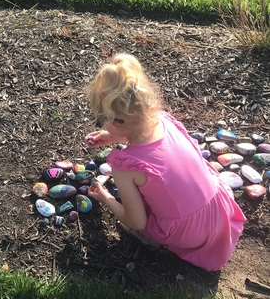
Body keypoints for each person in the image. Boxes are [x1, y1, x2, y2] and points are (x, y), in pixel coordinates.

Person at [83, 53, 246, 272]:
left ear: (115, 121)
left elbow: (136, 221)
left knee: (139, 220)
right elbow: (142, 137)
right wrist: (114, 136)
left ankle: (150, 240)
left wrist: (106, 198)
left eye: (102, 120)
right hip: (219, 212)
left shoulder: (125, 165)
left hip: (190, 234)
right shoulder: (164, 120)